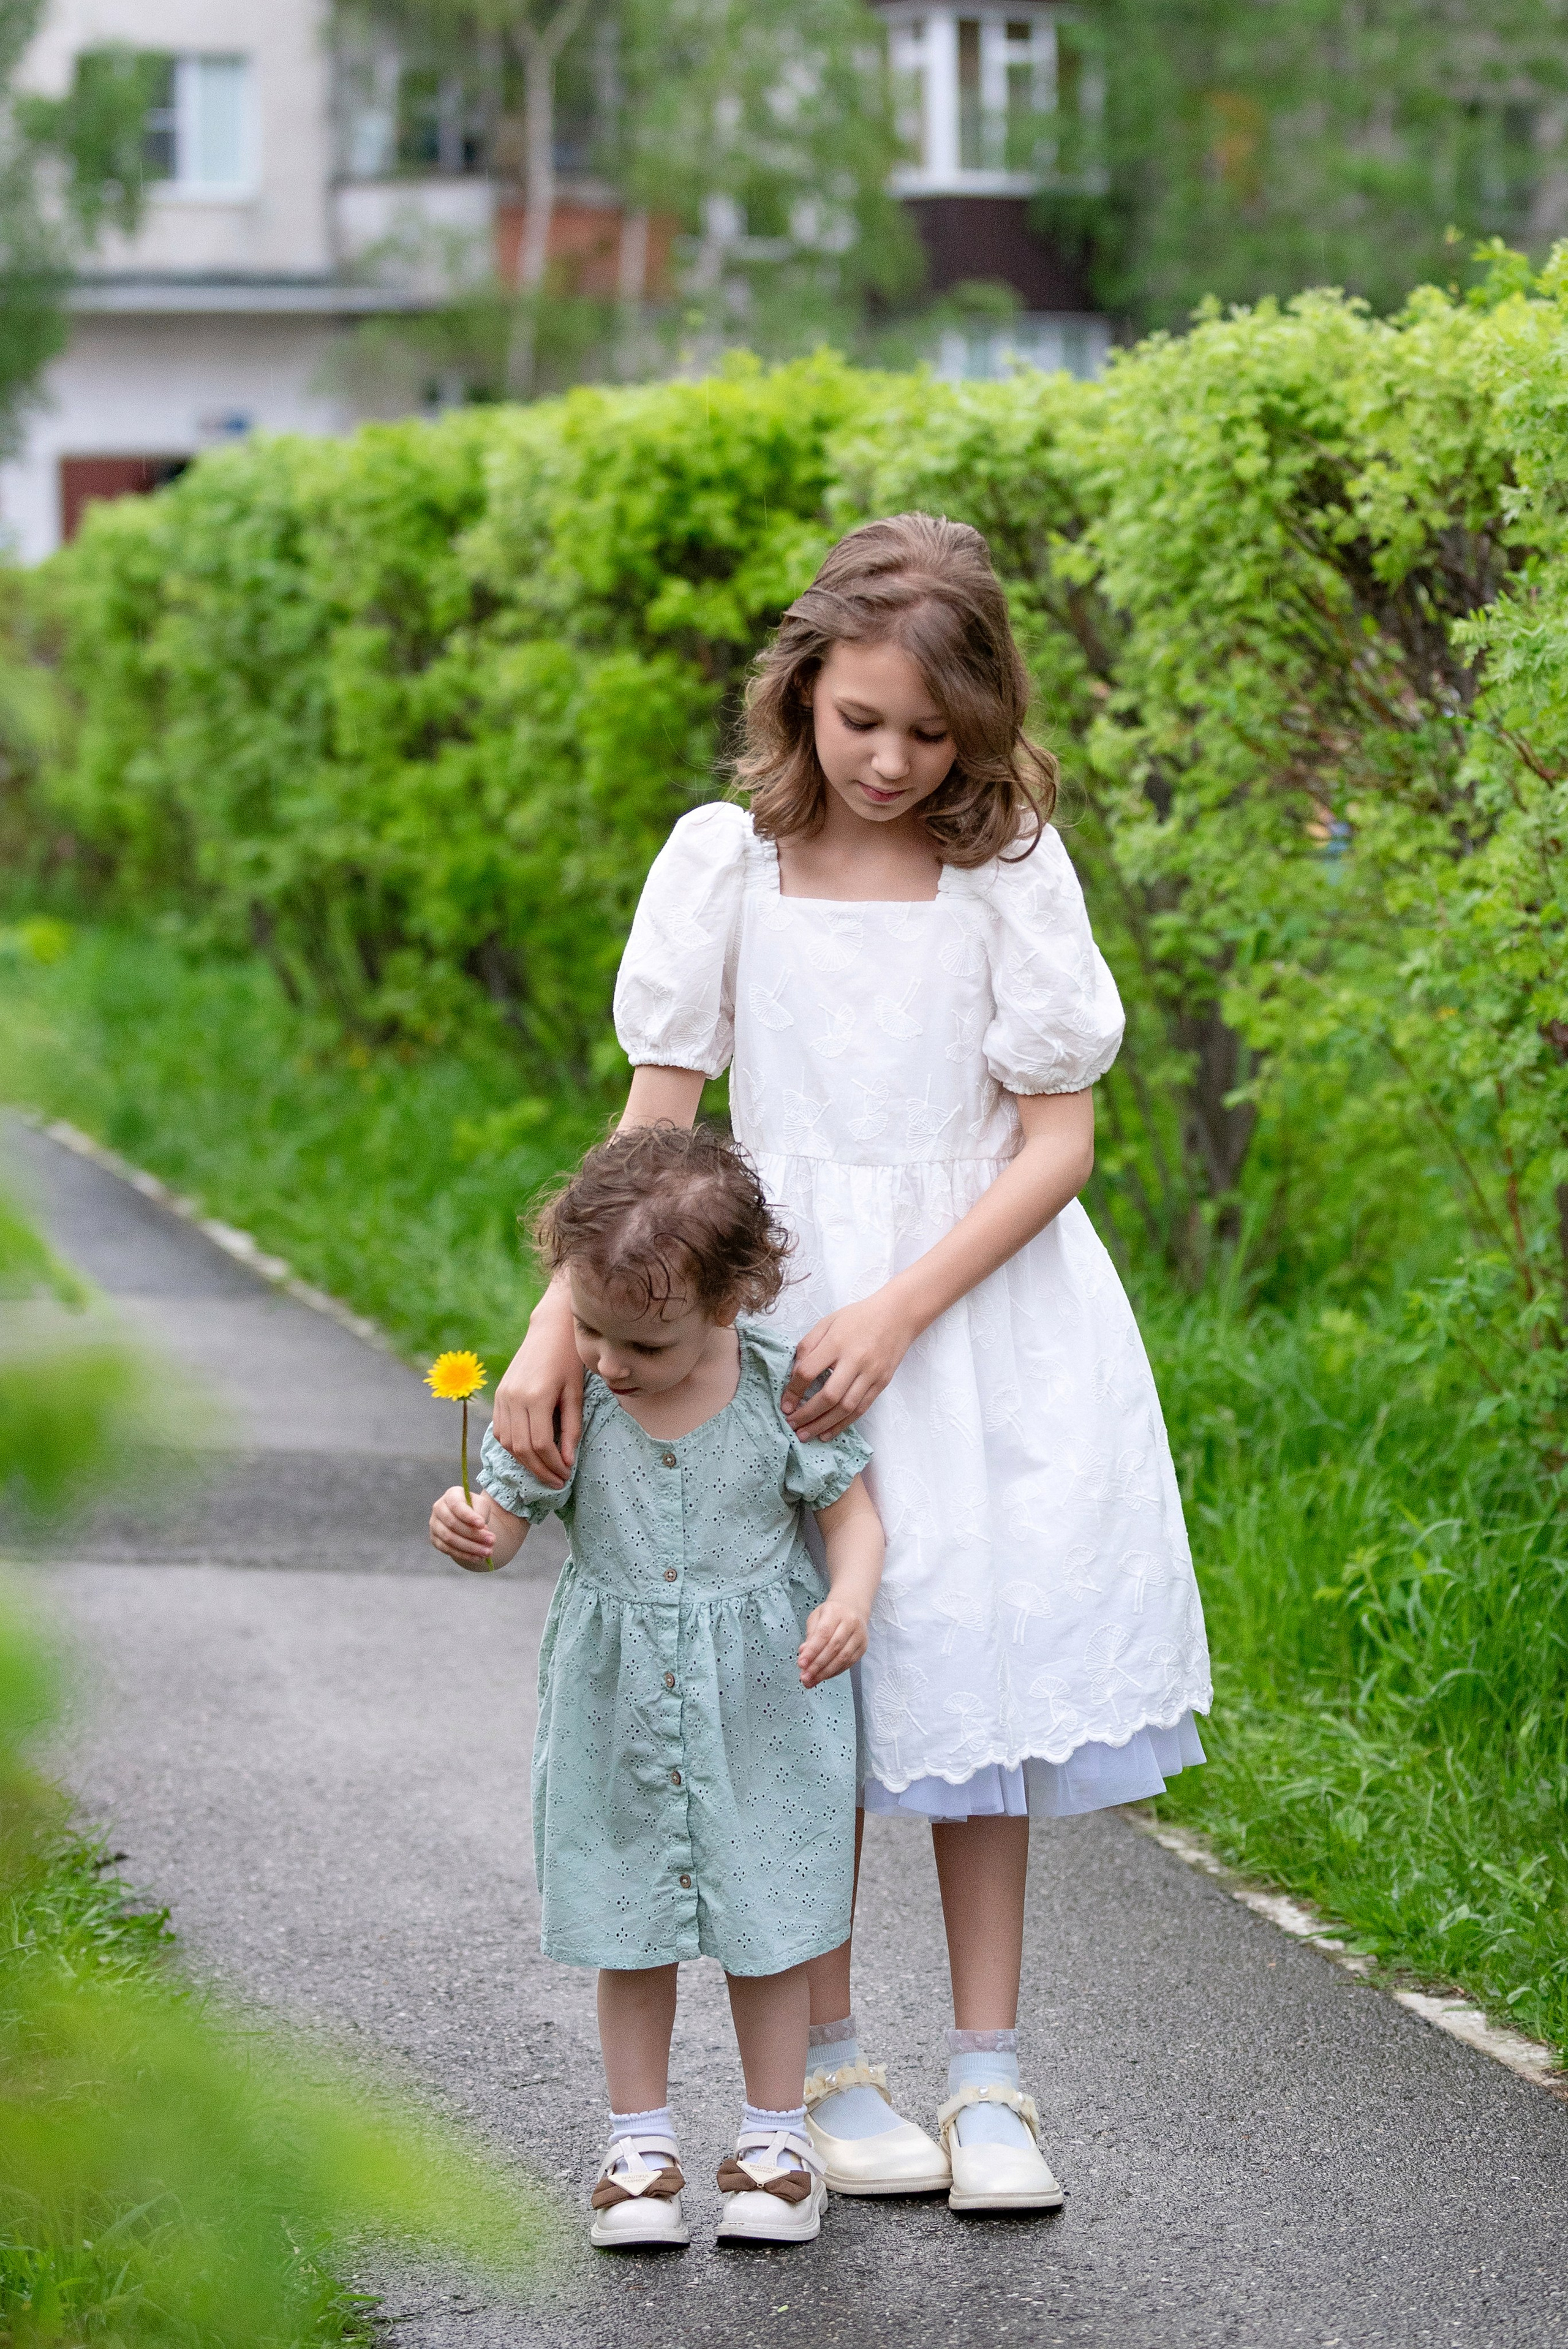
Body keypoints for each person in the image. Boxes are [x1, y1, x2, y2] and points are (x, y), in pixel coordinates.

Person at [492, 511, 1212, 2215]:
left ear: (982, 722)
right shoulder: (727, 864)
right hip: (768, 1305)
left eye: (931, 733)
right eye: (859, 721)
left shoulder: (1009, 867)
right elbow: (655, 1123)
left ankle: (991, 2076)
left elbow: (1057, 1144)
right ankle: (822, 2065)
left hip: (972, 1311)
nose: (890, 761)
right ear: (801, 688)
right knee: (789, 1679)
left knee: (969, 1684)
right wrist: (552, 1327)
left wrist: (897, 1308)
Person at [430, 1122, 883, 2251]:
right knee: (626, 1919)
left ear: (729, 1300)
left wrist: (850, 1597)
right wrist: (473, 1530)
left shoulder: (782, 1388)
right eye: (588, 1328)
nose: (611, 1361)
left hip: (763, 1705)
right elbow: (507, 1520)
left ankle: (777, 2145)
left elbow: (853, 1519)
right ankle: (638, 2147)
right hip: (616, 1706)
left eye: (644, 1341)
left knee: (769, 1922)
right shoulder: (573, 1397)